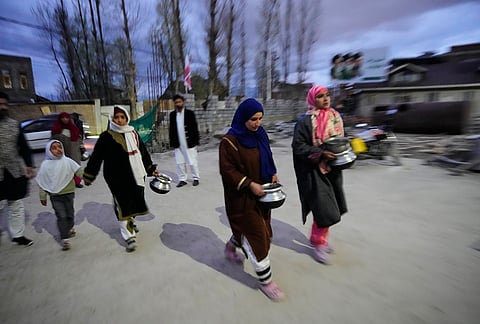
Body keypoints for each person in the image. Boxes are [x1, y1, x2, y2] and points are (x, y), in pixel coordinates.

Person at [219, 98, 285, 301]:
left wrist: (272, 174)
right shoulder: (229, 142)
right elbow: (228, 171)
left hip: (262, 195)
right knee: (257, 238)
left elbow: (267, 156)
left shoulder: (260, 134)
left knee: (264, 231)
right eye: (253, 119)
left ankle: (231, 245)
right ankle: (266, 282)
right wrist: (249, 184)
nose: (258, 123)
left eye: (260, 118)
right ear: (242, 118)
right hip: (241, 199)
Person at [83, 105, 159, 252]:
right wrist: (89, 175)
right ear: (112, 119)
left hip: (137, 174)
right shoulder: (106, 136)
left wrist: (151, 169)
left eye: (122, 117)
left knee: (135, 200)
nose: (119, 120)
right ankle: (128, 236)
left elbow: (143, 153)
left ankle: (131, 221)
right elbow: (96, 157)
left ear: (127, 118)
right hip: (117, 177)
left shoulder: (134, 133)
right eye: (116, 117)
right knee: (122, 204)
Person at [292, 85, 348, 264]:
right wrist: (320, 153)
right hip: (314, 170)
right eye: (320, 96)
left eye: (327, 95)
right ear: (312, 100)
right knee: (324, 208)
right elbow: (298, 146)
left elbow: (340, 140)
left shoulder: (335, 117)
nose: (326, 99)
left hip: (332, 169)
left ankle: (320, 239)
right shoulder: (305, 121)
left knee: (332, 205)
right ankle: (318, 244)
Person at [0, 91, 35, 246]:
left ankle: (18, 235)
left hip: (13, 171)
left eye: (4, 104)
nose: (2, 107)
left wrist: (29, 165)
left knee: (16, 204)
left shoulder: (14, 125)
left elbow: (24, 147)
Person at [36, 140, 83, 250]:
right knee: (61, 216)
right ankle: (65, 238)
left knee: (70, 214)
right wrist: (43, 197)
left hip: (69, 193)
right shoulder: (45, 165)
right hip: (55, 195)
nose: (58, 150)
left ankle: (70, 227)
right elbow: (43, 182)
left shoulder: (67, 161)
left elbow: (78, 170)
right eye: (54, 148)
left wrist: (87, 178)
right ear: (49, 151)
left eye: (59, 147)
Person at [169, 94, 200, 187]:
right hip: (178, 143)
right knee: (180, 163)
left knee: (192, 161)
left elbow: (195, 128)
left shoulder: (190, 113)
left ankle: (195, 178)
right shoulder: (172, 114)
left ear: (183, 102)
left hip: (189, 142)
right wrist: (172, 142)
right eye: (176, 102)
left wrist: (196, 141)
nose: (178, 104)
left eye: (179, 102)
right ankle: (182, 179)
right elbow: (171, 129)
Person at [51, 112, 83, 188]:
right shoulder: (56, 129)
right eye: (63, 118)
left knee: (75, 167)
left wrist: (82, 147)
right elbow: (53, 142)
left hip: (74, 152)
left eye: (67, 118)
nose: (65, 119)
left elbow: (79, 139)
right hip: (63, 152)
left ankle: (77, 182)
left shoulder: (73, 128)